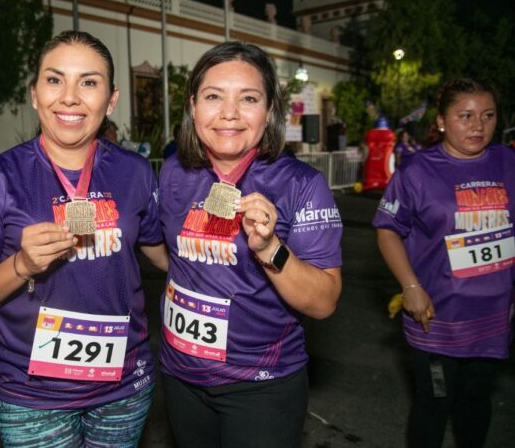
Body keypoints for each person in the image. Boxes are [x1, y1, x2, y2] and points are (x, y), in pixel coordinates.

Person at [0, 30, 168, 447]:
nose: (70, 97)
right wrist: (21, 265)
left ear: (112, 99)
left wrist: (246, 254)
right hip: (33, 394)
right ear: (34, 94)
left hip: (123, 385)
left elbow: (162, 254)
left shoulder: (136, 172)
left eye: (88, 82)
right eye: (54, 80)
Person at [157, 42, 343, 447]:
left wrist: (268, 248)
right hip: (180, 374)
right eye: (213, 96)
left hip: (261, 384)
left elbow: (324, 301)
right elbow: (162, 250)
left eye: (248, 99)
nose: (229, 113)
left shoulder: (302, 185)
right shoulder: (173, 172)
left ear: (270, 110)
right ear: (192, 106)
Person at [373, 78, 514, 448]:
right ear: (440, 121)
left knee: (476, 401)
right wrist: (411, 288)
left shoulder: (507, 162)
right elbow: (387, 231)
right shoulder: (418, 170)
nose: (478, 126)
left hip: (494, 314)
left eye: (487, 115)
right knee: (434, 403)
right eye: (465, 116)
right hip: (437, 317)